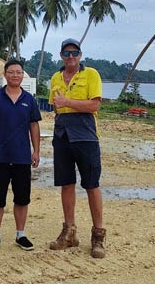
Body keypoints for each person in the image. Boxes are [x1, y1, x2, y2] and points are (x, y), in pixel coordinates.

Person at [47, 38, 106, 258]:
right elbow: (55, 105)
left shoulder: (91, 75)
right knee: (66, 183)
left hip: (85, 135)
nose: (70, 57)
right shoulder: (55, 77)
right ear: (61, 55)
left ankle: (98, 236)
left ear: (80, 55)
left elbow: (94, 105)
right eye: (66, 53)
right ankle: (69, 232)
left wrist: (68, 103)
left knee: (91, 184)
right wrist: (62, 107)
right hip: (62, 134)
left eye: (74, 53)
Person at [0, 58, 41, 252]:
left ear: (23, 75)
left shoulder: (29, 99)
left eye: (18, 72)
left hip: (22, 156)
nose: (15, 75)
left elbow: (34, 125)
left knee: (22, 198)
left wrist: (36, 150)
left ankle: (20, 234)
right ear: (4, 75)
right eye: (11, 72)